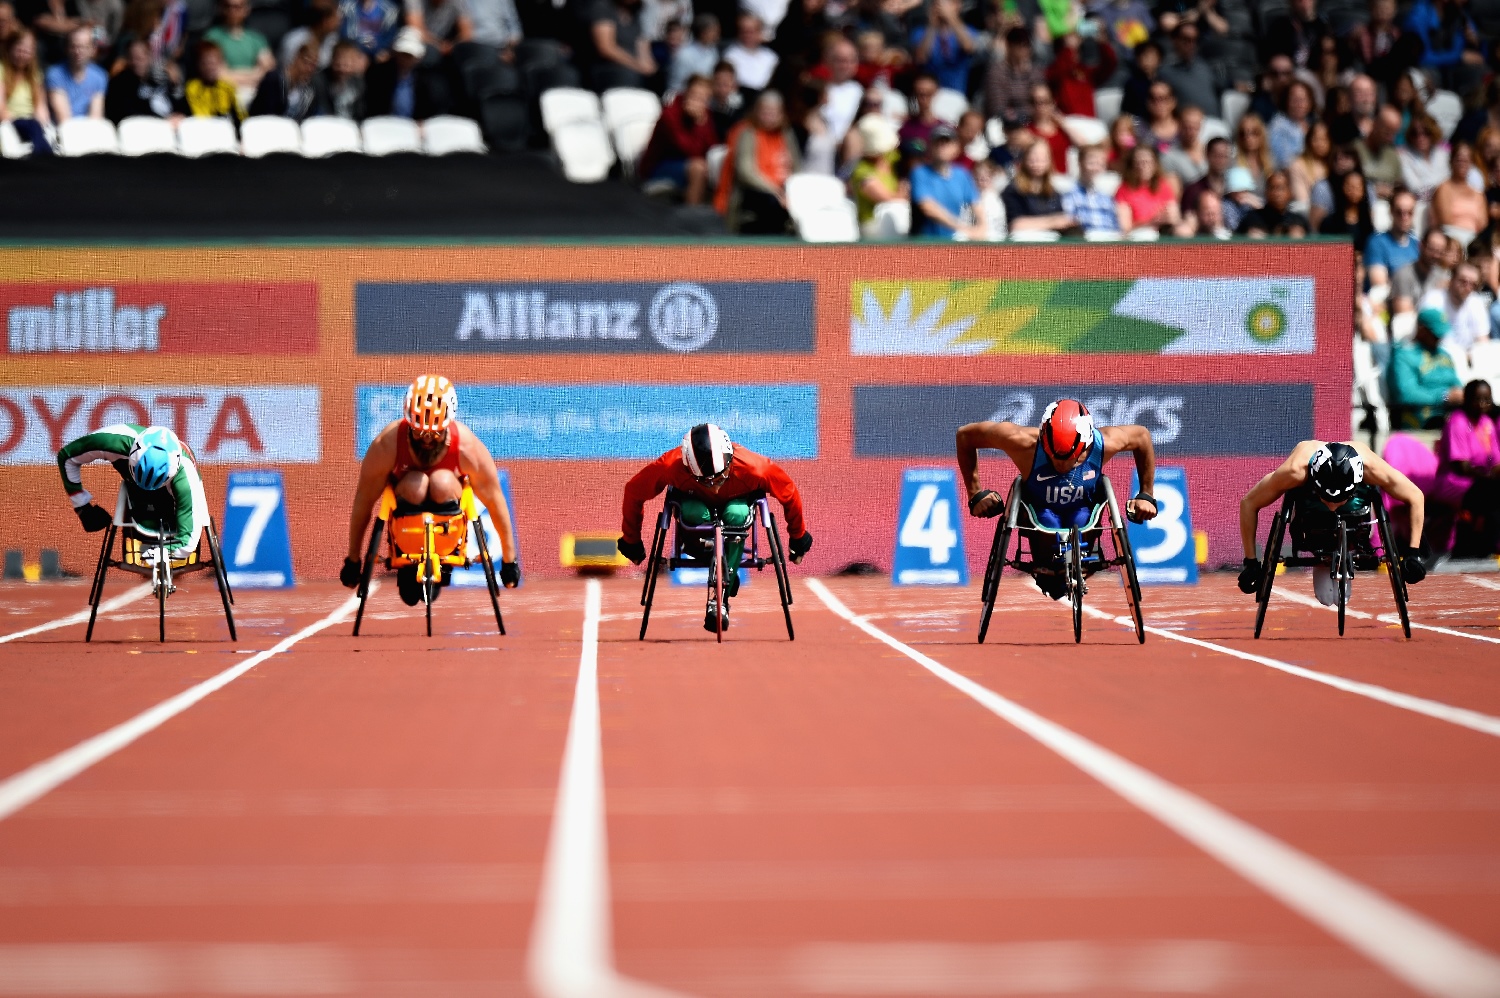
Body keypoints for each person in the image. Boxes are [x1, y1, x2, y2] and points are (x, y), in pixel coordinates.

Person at [617, 422, 811, 632]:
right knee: (692, 512)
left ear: (729, 460)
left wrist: (798, 537)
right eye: (706, 481)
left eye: (720, 477)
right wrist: (631, 540)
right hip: (695, 511)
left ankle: (722, 599)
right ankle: (720, 562)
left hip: (735, 505)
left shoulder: (755, 467)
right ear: (688, 467)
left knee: (737, 514)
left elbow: (789, 493)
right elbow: (634, 491)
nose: (715, 487)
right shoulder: (670, 465)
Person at [341, 375, 518, 605]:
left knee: (442, 481)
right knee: (417, 483)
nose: (426, 439)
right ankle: (408, 566)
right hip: (405, 522)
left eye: (435, 433)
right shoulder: (387, 444)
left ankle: (442, 564)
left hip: (448, 530)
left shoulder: (467, 447)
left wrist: (509, 559)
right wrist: (353, 559)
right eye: (418, 431)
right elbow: (364, 501)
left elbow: (495, 501)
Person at [956, 400, 1159, 600]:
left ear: (1085, 445)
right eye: (1054, 457)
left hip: (1084, 512)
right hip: (1039, 515)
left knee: (1079, 521)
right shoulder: (1022, 441)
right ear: (1044, 439)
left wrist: (1146, 495)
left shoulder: (1103, 443)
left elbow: (1142, 436)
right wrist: (975, 495)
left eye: (1071, 458)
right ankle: (1050, 574)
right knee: (1050, 523)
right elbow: (965, 435)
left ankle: (1079, 565)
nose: (1061, 465)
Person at [1237, 440, 1426, 606]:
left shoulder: (1372, 468)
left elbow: (1415, 496)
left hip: (1354, 517)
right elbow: (1249, 503)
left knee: (1334, 597)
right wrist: (1251, 562)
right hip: (1311, 516)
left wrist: (1413, 553)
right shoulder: (1295, 471)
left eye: (1339, 500)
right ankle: (1323, 556)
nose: (1333, 506)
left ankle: (1345, 547)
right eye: (1326, 498)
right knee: (1326, 598)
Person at [57, 425, 208, 562]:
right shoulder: (113, 440)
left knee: (195, 520)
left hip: (173, 503)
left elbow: (188, 542)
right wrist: (82, 507)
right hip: (136, 496)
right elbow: (67, 457)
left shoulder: (186, 476)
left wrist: (161, 553)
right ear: (133, 453)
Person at [717, 89, 799, 234]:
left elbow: (797, 167)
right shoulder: (748, 133)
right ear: (757, 111)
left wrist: (791, 191)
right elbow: (746, 172)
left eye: (774, 112)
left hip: (785, 190)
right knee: (772, 204)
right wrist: (775, 191)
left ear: (781, 114)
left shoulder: (786, 134)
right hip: (757, 191)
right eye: (765, 111)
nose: (769, 116)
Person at [1436, 379, 1500, 556]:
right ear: (1466, 400)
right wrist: (1491, 479)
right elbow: (1461, 467)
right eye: (1477, 399)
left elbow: (1495, 462)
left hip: (1480, 480)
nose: (1482, 404)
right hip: (1454, 481)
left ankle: (1487, 544)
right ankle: (1481, 545)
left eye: (1487, 399)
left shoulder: (1487, 423)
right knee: (1491, 491)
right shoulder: (1458, 422)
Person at [639, 74, 717, 203]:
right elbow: (686, 148)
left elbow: (712, 146)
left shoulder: (705, 115)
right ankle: (691, 215)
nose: (698, 101)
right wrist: (699, 124)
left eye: (703, 99)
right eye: (695, 95)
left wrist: (702, 123)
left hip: (687, 163)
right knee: (698, 168)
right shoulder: (670, 114)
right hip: (658, 166)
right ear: (686, 93)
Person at [1391, 306, 1464, 427]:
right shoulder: (1403, 357)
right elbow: (1406, 394)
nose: (1439, 338)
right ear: (1421, 329)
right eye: (1434, 334)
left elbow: (1456, 384)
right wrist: (1444, 396)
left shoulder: (1444, 355)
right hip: (1421, 419)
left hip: (1451, 416)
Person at [911, 123, 985, 239]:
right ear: (930, 147)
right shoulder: (920, 173)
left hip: (955, 239)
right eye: (938, 142)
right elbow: (928, 207)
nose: (942, 146)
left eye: (947, 142)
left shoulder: (962, 174)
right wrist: (962, 228)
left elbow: (976, 204)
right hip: (926, 242)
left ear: (956, 147)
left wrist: (982, 227)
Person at [365, 24, 446, 118]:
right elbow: (373, 105)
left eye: (409, 56)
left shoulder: (428, 79)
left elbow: (434, 108)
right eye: (402, 54)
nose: (404, 60)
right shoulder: (379, 75)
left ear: (418, 57)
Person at [1003, 139, 1075, 235]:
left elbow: (1062, 221)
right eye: (1033, 158)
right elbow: (1016, 225)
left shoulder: (1053, 192)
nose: (1037, 162)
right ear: (1024, 160)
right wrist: (1052, 222)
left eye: (1042, 158)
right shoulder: (1014, 190)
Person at [1419, 261, 1489, 355]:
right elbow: (1426, 338)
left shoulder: (1476, 303)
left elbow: (1482, 340)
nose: (1467, 287)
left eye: (1473, 284)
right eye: (1463, 281)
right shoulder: (1433, 300)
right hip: (1437, 356)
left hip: (1467, 357)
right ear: (1452, 279)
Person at [104, 35, 182, 120]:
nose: (135, 63)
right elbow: (127, 113)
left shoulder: (160, 80)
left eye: (139, 59)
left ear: (150, 57)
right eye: (131, 58)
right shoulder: (120, 83)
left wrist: (175, 84)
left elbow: (178, 106)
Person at [1045, 28, 1116, 118]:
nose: (1075, 54)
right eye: (1072, 51)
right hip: (1067, 122)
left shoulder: (1087, 72)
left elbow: (1110, 63)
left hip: (1090, 123)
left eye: (1077, 51)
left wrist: (1102, 43)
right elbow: (1055, 73)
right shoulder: (1056, 71)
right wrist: (1068, 48)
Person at [0, 29, 51, 154]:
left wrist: (42, 123)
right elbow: (1, 108)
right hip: (8, 121)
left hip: (32, 123)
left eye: (27, 51)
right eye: (19, 50)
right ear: (9, 49)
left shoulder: (35, 75)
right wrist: (20, 123)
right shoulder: (1, 70)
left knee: (43, 130)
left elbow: (41, 106)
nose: (22, 55)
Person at [849, 111, 901, 232]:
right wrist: (901, 194)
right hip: (872, 226)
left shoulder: (891, 156)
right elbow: (885, 198)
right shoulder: (860, 171)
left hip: (898, 221)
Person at [203, 0, 271, 90]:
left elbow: (268, 70)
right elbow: (216, 73)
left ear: (247, 9)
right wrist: (253, 75)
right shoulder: (212, 37)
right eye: (228, 6)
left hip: (255, 91)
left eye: (238, 7)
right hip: (224, 90)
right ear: (222, 9)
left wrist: (233, 75)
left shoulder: (256, 38)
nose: (232, 11)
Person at [984, 26, 1042, 130]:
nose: (1023, 49)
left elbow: (1042, 101)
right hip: (1005, 125)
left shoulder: (1035, 72)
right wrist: (1029, 110)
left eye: (1026, 45)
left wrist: (1032, 111)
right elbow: (998, 109)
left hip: (1033, 122)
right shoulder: (997, 72)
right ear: (1009, 45)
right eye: (1019, 45)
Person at [910, 0, 974, 94]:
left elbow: (969, 47)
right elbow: (920, 58)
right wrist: (932, 25)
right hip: (929, 94)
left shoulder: (967, 31)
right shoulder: (920, 32)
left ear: (958, 6)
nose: (941, 8)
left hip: (956, 93)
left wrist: (951, 18)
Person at [1431, 141, 1487, 246]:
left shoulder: (1478, 194)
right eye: (1459, 160)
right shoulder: (1444, 188)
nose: (1462, 163)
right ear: (1451, 161)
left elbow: (1483, 225)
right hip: (1451, 239)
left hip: (1474, 241)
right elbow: (1445, 221)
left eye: (1466, 160)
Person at [1117, 143, 1182, 233]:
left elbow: (1174, 217)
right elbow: (1125, 228)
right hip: (1138, 235)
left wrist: (1169, 218)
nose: (1143, 166)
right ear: (1132, 165)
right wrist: (1153, 221)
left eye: (1147, 162)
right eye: (1139, 162)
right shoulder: (1124, 190)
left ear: (1155, 164)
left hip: (1164, 232)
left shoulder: (1163, 186)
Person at [45, 25, 105, 121]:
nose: (78, 51)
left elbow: (96, 117)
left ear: (93, 50)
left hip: (88, 128)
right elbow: (63, 119)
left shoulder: (99, 76)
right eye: (73, 46)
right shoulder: (55, 74)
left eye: (83, 47)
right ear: (66, 49)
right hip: (62, 130)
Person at [1366, 187, 1420, 291]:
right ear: (1391, 211)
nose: (1404, 217)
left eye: (1409, 212)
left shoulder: (1417, 245)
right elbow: (1379, 286)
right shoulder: (1377, 242)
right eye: (1399, 212)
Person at [1158, 21, 1217, 115]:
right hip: (1186, 126)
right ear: (1174, 40)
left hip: (1213, 123)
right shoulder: (1164, 71)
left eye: (1195, 40)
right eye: (1186, 39)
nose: (1191, 45)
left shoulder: (1204, 67)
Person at [1061, 144, 1121, 237]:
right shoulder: (1069, 194)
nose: (1095, 168)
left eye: (1100, 164)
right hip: (1084, 243)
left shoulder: (1107, 197)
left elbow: (1115, 226)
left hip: (1108, 242)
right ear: (1080, 163)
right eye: (1091, 163)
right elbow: (1069, 223)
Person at [1392, 228, 1453, 314]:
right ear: (1421, 246)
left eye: (1440, 251)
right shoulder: (1404, 274)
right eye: (1432, 249)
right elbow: (1403, 314)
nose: (1435, 255)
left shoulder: (1444, 276)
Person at [1237, 168, 1309, 236]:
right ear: (1265, 192)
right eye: (1272, 188)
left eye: (1281, 188)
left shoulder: (1298, 221)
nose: (1277, 194)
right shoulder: (1252, 219)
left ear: (1290, 192)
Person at [185, 40, 242, 120]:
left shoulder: (228, 88)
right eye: (206, 63)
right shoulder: (192, 88)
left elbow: (241, 116)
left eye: (215, 62)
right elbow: (201, 117)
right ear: (197, 64)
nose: (211, 68)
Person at [1262, 0, 1327, 70]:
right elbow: (1273, 57)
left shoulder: (1322, 26)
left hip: (1315, 72)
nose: (1305, 3)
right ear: (1292, 3)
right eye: (1300, 1)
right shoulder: (1280, 25)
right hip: (1289, 73)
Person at [1355, 104, 1402, 198]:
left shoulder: (1392, 155)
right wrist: (1372, 190)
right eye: (1387, 132)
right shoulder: (1354, 151)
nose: (1391, 138)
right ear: (1375, 124)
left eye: (1394, 133)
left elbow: (1398, 186)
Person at [1318, 168, 1373, 249]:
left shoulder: (1367, 222)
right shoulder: (1329, 222)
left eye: (1358, 187)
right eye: (1350, 186)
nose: (1354, 190)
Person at [1397, 113, 1447, 202]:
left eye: (1426, 132)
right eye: (1415, 133)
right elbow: (1415, 188)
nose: (1420, 137)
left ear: (1433, 132)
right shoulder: (1403, 156)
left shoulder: (1443, 153)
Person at [1024, 82, 1072, 174]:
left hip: (1062, 180)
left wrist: (1063, 123)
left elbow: (1084, 145)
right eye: (1034, 102)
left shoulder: (1061, 129)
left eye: (1044, 101)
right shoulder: (1026, 132)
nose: (1039, 107)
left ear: (1052, 103)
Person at [1268, 78, 1316, 170]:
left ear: (1310, 103)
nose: (1299, 104)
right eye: (1295, 100)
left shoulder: (1312, 123)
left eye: (1303, 100)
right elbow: (1284, 162)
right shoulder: (1278, 126)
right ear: (1286, 101)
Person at [313, 38, 366, 118]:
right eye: (338, 64)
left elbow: (360, 112)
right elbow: (322, 108)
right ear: (332, 60)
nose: (342, 69)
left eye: (346, 65)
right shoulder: (320, 80)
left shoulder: (358, 83)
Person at [722, 12, 774, 91]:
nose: (748, 35)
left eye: (751, 31)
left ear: (759, 32)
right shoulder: (730, 56)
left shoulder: (771, 57)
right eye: (744, 31)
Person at [668, 13, 718, 93]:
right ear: (703, 32)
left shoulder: (713, 50)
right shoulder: (684, 55)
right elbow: (677, 86)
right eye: (714, 30)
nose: (717, 34)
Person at [281, 0, 340, 68]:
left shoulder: (332, 40)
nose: (339, 23)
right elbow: (286, 71)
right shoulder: (295, 41)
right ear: (324, 21)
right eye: (335, 19)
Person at [1181, 134, 1230, 211]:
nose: (1221, 160)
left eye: (1225, 156)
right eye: (1217, 155)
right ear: (1207, 155)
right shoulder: (1193, 191)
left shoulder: (1233, 190)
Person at [1160, 103, 1206, 184]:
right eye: (1187, 127)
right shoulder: (1169, 157)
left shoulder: (1210, 151)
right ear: (1179, 125)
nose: (1191, 132)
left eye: (1195, 126)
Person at [1289, 119, 1330, 207]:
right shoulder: (1297, 165)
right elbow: (1302, 200)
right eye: (1316, 139)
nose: (1321, 143)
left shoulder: (1334, 164)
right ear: (1309, 140)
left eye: (1325, 139)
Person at [405, 0, 470, 56]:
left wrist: (452, 46)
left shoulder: (458, 1)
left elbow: (467, 33)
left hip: (447, 44)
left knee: (470, 51)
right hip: (421, 43)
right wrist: (438, 45)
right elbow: (415, 29)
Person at [1233, 111, 1273, 193]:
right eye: (1243, 133)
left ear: (1262, 134)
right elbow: (1239, 196)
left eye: (1254, 132)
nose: (1248, 137)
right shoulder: (1234, 163)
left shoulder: (1272, 162)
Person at [1221, 164, 1261, 230]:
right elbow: (1234, 228)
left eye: (1243, 189)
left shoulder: (1249, 203)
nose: (1241, 193)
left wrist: (1259, 208)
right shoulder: (1225, 205)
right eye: (1237, 190)